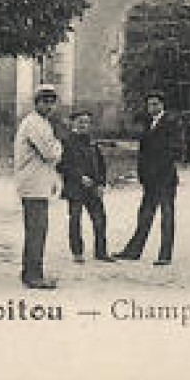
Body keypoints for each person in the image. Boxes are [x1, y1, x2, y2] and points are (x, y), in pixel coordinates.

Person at [118, 91, 180, 265]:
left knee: (166, 215)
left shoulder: (171, 123)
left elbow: (174, 150)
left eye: (155, 104)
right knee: (144, 214)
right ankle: (134, 251)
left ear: (162, 105)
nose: (151, 107)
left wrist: (159, 170)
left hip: (165, 178)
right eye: (149, 104)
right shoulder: (148, 123)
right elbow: (143, 152)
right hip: (150, 179)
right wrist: (143, 173)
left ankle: (165, 255)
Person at [14, 85, 65, 288]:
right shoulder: (34, 124)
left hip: (38, 182)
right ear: (36, 103)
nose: (49, 106)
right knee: (37, 229)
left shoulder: (42, 123)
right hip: (32, 184)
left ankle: (30, 272)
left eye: (52, 101)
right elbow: (51, 154)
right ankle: (34, 276)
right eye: (44, 101)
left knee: (36, 229)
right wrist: (60, 144)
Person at [60, 108, 112, 264]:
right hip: (75, 188)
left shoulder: (92, 142)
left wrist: (101, 183)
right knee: (75, 219)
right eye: (80, 122)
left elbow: (101, 165)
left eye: (87, 122)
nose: (84, 125)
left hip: (93, 187)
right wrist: (79, 177)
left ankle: (101, 252)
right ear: (72, 123)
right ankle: (77, 252)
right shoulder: (66, 142)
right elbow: (63, 165)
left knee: (99, 219)